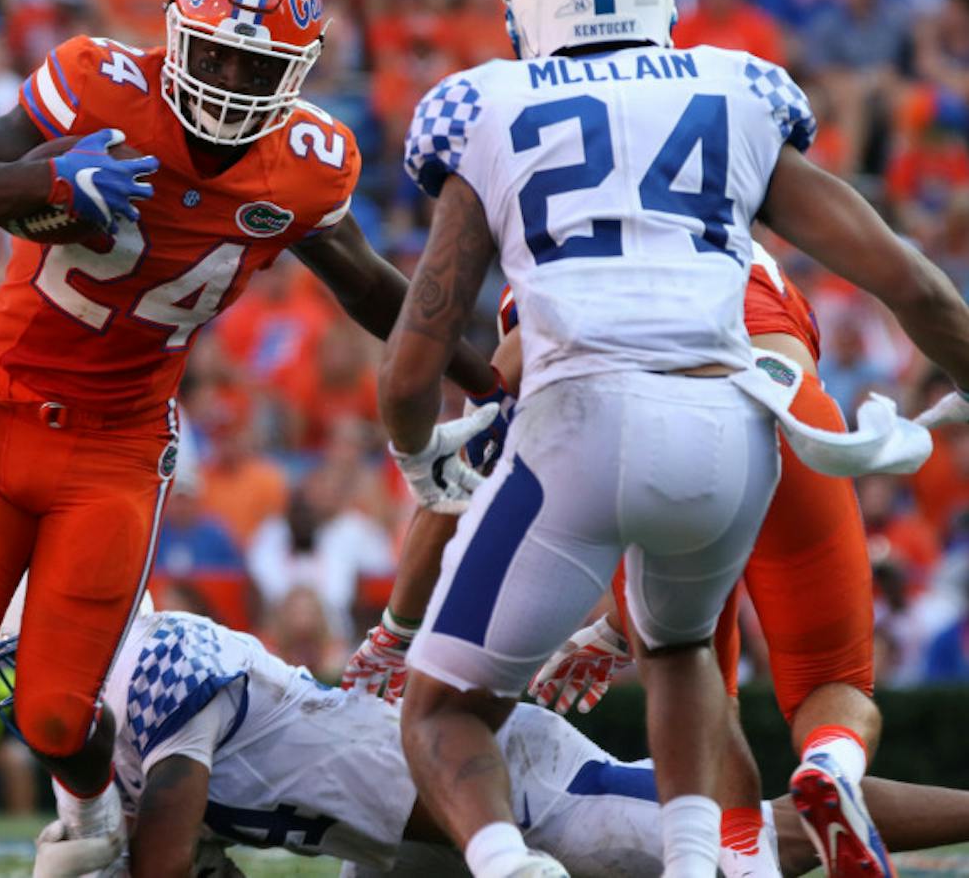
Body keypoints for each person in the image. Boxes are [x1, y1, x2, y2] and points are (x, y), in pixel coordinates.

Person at [378, 0, 969, 878]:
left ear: (526, 8)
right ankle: (759, 824)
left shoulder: (491, 109)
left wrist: (412, 458)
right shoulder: (734, 99)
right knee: (706, 656)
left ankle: (514, 863)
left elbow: (421, 360)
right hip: (747, 414)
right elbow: (908, 280)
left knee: (445, 709)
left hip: (588, 423)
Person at [0, 0, 498, 878]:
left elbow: (372, 289)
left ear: (294, 71)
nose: (225, 77)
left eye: (252, 63)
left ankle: (93, 811)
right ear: (175, 36)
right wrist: (42, 180)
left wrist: (494, 374)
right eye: (211, 52)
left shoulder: (304, 161)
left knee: (54, 711)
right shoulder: (96, 85)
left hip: (117, 448)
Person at [362, 240, 901, 878]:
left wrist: (394, 632)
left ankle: (722, 860)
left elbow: (466, 467)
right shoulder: (727, 222)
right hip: (786, 400)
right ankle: (830, 765)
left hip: (647, 438)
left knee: (696, 687)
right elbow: (904, 280)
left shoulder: (555, 246)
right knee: (831, 683)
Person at [0, 603, 969, 878]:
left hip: (501, 786)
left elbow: (164, 862)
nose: (19, 684)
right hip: (401, 843)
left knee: (766, 838)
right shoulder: (127, 726)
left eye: (21, 656)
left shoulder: (165, 669)